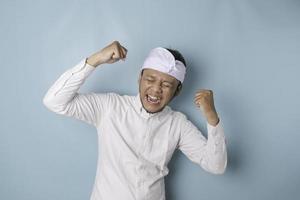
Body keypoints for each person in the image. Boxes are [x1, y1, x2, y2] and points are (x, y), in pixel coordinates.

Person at [43, 40, 227, 200]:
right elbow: (54, 101)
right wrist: (96, 59)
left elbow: (216, 165)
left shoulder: (178, 124)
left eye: (166, 84)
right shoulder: (110, 107)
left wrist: (212, 117)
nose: (156, 90)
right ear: (139, 78)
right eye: (150, 79)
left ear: (177, 90)